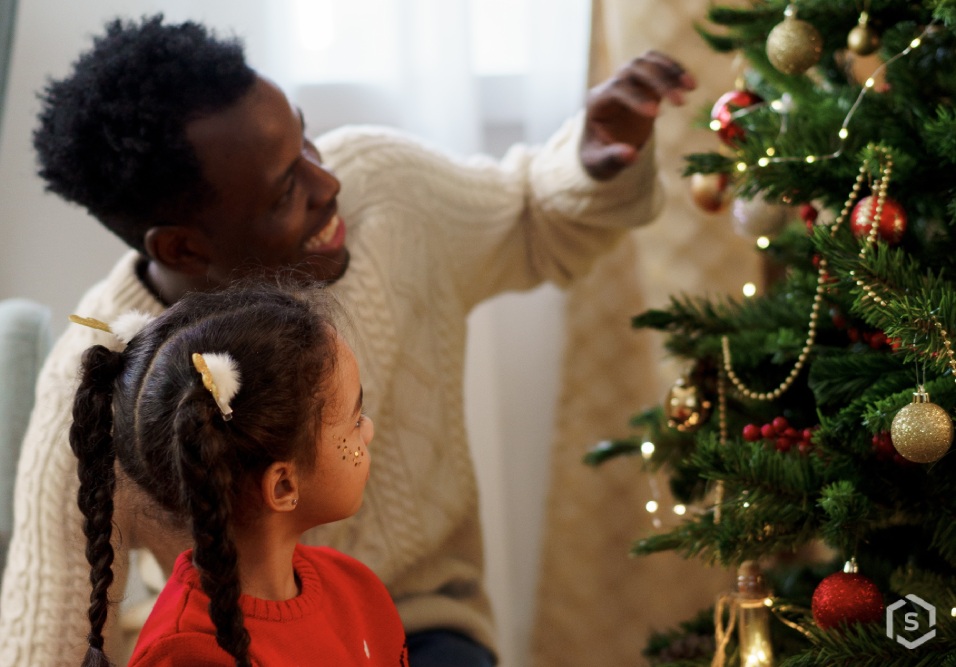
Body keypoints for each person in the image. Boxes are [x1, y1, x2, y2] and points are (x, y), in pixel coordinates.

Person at [0, 14, 696, 667]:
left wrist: (595, 159)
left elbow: (531, 214)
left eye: (305, 139)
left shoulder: (380, 189)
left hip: (420, 622)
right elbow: (46, 629)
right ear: (183, 245)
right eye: (281, 195)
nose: (329, 183)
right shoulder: (105, 375)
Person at [68, 279, 407, 666]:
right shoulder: (188, 654)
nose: (369, 430)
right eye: (354, 419)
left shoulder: (357, 589)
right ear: (282, 485)